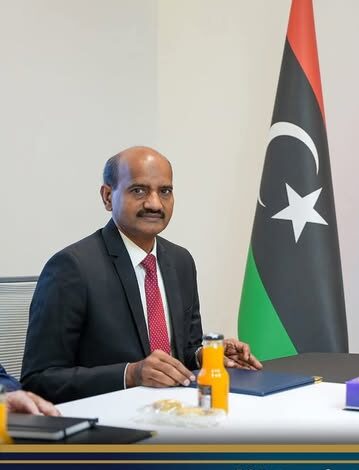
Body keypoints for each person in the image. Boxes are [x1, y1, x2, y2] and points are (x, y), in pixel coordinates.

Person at [21, 146, 261, 404]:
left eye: (165, 191)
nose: (154, 203)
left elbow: (184, 351)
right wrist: (131, 374)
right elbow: (39, 380)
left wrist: (206, 356)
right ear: (108, 197)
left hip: (179, 412)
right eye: (139, 190)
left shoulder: (181, 261)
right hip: (110, 419)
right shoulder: (72, 267)